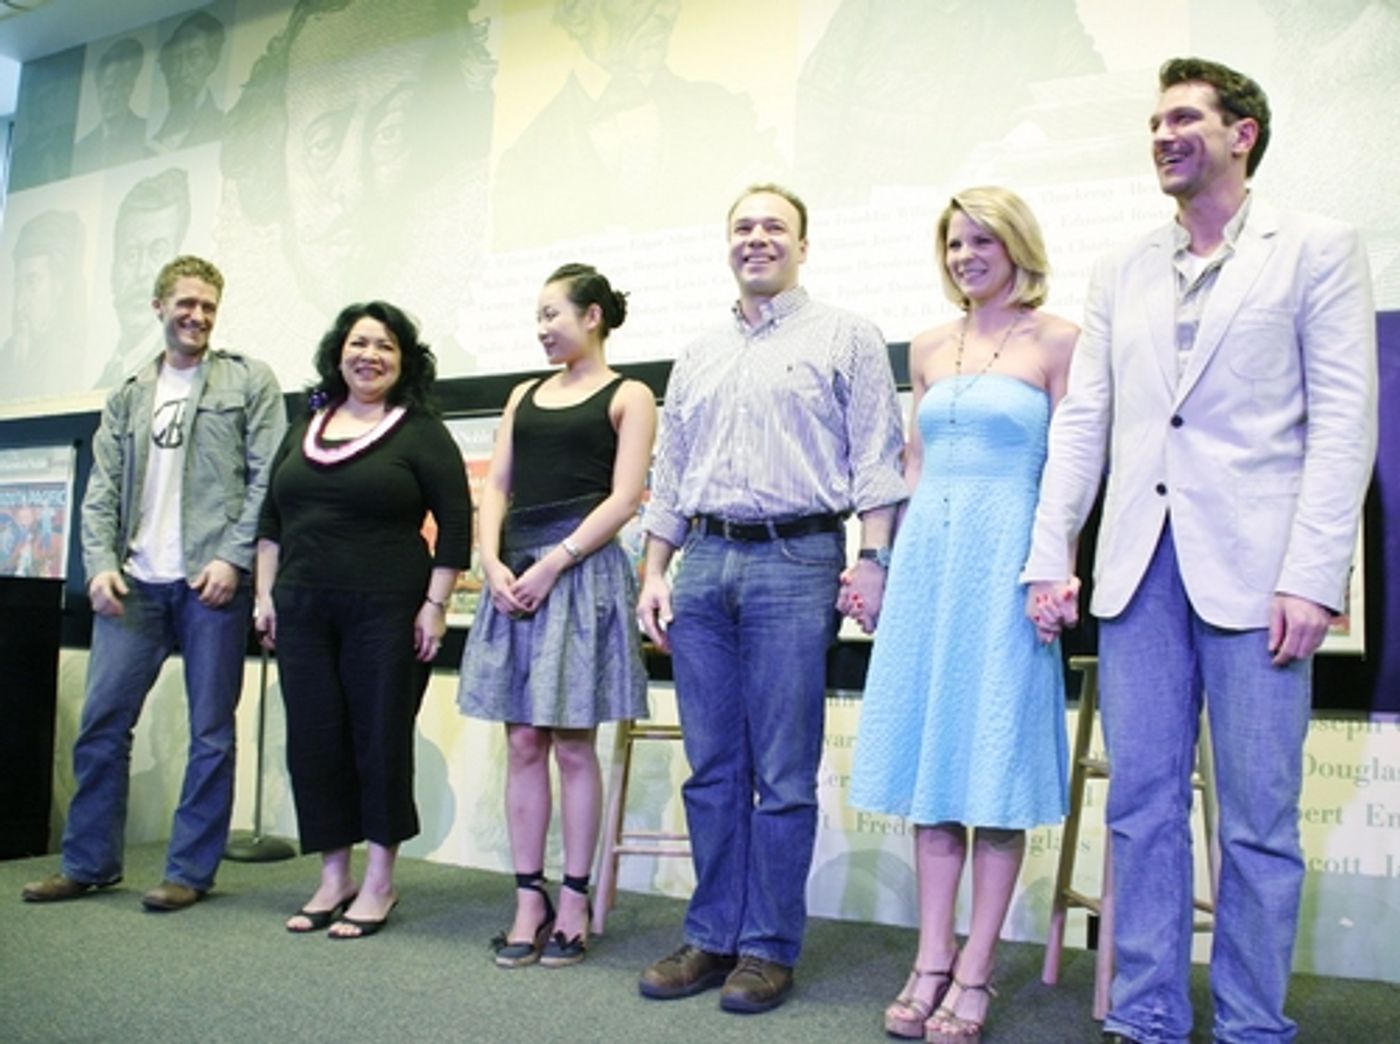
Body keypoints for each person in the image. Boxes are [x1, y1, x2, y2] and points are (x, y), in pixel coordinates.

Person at [1021, 58, 1377, 1043]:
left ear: (1241, 133)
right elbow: (1083, 421)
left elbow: (1342, 425)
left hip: (1263, 577)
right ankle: (1145, 1015)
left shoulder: (1316, 247)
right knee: (1139, 808)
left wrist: (1314, 576)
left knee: (1258, 818)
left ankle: (1252, 1023)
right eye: (1152, 123)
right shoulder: (1121, 267)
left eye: (1182, 118)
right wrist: (1050, 551)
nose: (1161, 136)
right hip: (1138, 571)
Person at [635, 183, 906, 1013]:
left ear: (803, 245)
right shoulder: (697, 354)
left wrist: (874, 559)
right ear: (728, 243)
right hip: (703, 562)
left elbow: (877, 462)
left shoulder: (847, 337)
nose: (757, 238)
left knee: (783, 773)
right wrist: (654, 571)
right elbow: (671, 475)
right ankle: (712, 935)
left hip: (798, 560)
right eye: (743, 226)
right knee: (713, 768)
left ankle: (766, 948)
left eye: (774, 227)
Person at [846, 187, 1077, 1042]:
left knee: (997, 770)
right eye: (953, 243)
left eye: (982, 240)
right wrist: (878, 562)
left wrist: (1055, 571)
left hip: (1010, 567)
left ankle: (976, 971)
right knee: (934, 771)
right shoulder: (929, 345)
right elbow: (913, 462)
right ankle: (930, 959)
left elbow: (1072, 471)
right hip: (930, 568)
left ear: (1018, 245)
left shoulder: (1060, 340)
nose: (965, 256)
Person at [21, 255, 286, 911]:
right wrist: (100, 564)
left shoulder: (248, 381)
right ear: (160, 307)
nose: (197, 316)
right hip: (135, 583)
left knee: (210, 733)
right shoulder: (129, 395)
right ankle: (88, 864)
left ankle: (189, 873)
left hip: (209, 585)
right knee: (102, 726)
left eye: (208, 306)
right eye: (186, 303)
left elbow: (269, 478)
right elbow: (101, 492)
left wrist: (232, 559)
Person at [458, 263, 656, 968]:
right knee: (522, 743)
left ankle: (574, 900)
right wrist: (491, 560)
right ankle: (527, 899)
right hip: (515, 575)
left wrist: (554, 564)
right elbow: (497, 486)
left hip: (578, 573)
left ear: (592, 315)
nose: (542, 328)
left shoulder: (630, 395)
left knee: (573, 744)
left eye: (553, 314)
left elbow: (625, 498)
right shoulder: (523, 395)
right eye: (538, 317)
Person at [255, 301, 470, 939]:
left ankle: (378, 881)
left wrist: (435, 606)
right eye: (359, 343)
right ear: (338, 352)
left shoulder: (421, 431)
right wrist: (265, 596)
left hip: (388, 611)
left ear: (404, 361)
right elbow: (270, 519)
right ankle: (333, 878)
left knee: (380, 741)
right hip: (302, 609)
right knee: (314, 742)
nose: (369, 355)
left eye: (385, 346)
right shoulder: (306, 425)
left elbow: (456, 523)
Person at [96, 169, 192, 388]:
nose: (141, 272)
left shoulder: (184, 373)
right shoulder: (108, 375)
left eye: (157, 252)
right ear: (112, 272)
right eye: (130, 254)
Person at [73, 37, 152, 175]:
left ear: (131, 88)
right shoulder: (81, 149)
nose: (115, 96)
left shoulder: (146, 132)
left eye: (123, 86)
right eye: (109, 88)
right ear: (98, 89)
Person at [150, 12, 225, 152]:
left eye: (194, 55)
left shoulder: (224, 126)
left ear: (212, 61)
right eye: (176, 57)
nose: (182, 71)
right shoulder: (153, 140)